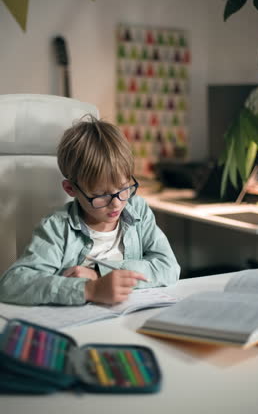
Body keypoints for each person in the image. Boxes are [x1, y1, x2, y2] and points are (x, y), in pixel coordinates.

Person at [0, 116, 180, 306]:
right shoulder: (57, 228)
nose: (117, 204)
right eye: (100, 195)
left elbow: (169, 268)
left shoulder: (137, 210)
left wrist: (98, 273)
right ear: (71, 189)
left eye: (123, 188)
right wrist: (88, 289)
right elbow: (12, 284)